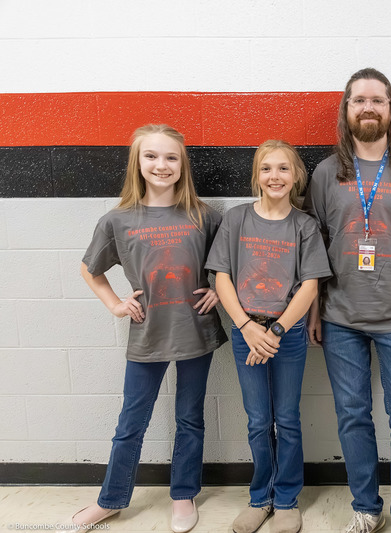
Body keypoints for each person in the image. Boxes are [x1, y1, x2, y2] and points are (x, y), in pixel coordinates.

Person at [60, 124, 228, 533]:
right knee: (131, 421)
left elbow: (229, 266)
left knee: (190, 418)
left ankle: (183, 494)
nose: (161, 165)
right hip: (148, 334)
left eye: (171, 157)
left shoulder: (204, 215)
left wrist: (220, 294)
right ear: (138, 162)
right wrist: (116, 304)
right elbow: (90, 269)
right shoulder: (117, 220)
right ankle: (111, 499)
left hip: (196, 332)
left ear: (182, 164)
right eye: (151, 156)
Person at [303, 67, 391, 533]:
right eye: (359, 100)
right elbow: (313, 247)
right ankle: (366, 508)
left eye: (377, 100)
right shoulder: (326, 173)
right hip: (341, 318)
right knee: (352, 417)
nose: (368, 107)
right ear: (347, 111)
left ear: (390, 110)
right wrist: (315, 309)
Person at [205, 140, 331, 533]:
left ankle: (288, 498)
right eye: (266, 169)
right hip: (246, 332)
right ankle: (260, 498)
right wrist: (246, 326)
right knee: (259, 420)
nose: (274, 176)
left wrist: (276, 331)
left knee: (287, 419)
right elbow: (221, 275)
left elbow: (310, 284)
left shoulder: (304, 225)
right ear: (256, 175)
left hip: (286, 334)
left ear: (296, 177)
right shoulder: (238, 219)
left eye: (283, 169)